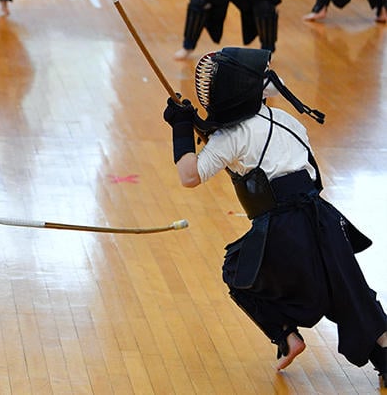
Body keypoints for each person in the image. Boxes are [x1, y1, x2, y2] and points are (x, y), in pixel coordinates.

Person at [162, 47, 386, 386]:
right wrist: (198, 125)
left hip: (282, 228)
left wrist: (181, 130)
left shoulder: (228, 138)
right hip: (323, 218)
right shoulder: (286, 119)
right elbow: (255, 149)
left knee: (237, 271)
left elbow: (190, 175)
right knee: (350, 291)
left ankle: (285, 335)